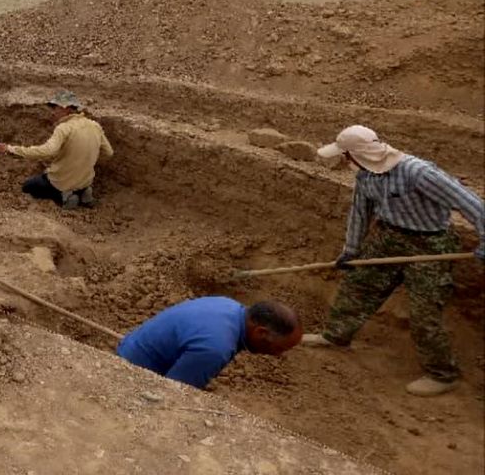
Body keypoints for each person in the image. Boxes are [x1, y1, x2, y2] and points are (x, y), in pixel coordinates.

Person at [303, 125, 484, 396]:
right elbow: (359, 213)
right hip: (388, 237)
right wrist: (351, 250)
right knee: (358, 287)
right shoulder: (365, 175)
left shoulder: (418, 172)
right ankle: (335, 335)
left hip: (430, 245)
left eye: (345, 155)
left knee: (424, 311)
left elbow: (470, 203)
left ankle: (443, 374)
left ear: (357, 154)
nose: (344, 160)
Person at [117, 297, 302, 390]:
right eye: (279, 348)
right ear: (261, 332)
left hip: (132, 351)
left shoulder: (228, 306)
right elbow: (171, 394)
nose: (278, 355)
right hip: (128, 376)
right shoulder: (215, 348)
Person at [0, 91, 113, 209]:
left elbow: (47, 151)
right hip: (85, 180)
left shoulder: (64, 128)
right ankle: (84, 193)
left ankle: (64, 196)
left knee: (28, 187)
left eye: (55, 108)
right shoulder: (95, 126)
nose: (53, 112)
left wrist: (11, 149)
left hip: (61, 181)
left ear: (65, 108)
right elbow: (109, 152)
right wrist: (85, 159)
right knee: (72, 181)